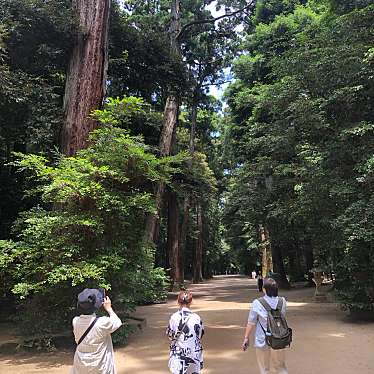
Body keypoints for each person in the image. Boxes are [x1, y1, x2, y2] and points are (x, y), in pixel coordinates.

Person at [242, 278, 288, 374]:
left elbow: (251, 322)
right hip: (280, 338)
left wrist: (246, 338)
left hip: (262, 339)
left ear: (264, 289)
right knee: (281, 367)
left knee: (264, 369)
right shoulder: (282, 301)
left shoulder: (257, 303)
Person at [70, 289, 122, 374]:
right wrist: (109, 308)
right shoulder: (102, 322)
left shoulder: (75, 321)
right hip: (100, 366)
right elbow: (117, 322)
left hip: (81, 363)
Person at [166, 291, 204, 374]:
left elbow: (170, 336)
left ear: (178, 302)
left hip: (178, 353)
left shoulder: (173, 317)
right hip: (194, 354)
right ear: (191, 302)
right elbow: (200, 335)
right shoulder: (197, 318)